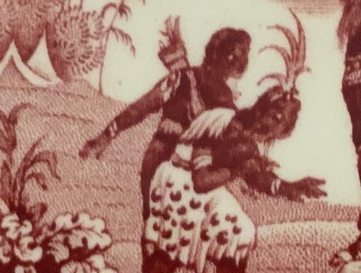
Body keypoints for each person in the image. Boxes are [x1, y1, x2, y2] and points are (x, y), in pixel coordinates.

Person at [107, 82, 327, 273]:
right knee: (161, 265)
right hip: (179, 187)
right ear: (261, 108)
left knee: (239, 233)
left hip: (209, 191)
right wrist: (238, 171)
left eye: (283, 124)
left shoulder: (250, 143)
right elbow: (201, 180)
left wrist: (289, 187)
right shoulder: (223, 123)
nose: (275, 127)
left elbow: (256, 176)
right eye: (275, 116)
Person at [80, 24, 251, 220]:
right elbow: (139, 109)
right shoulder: (182, 80)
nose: (232, 63)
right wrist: (105, 136)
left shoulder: (225, 101)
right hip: (163, 163)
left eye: (237, 59)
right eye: (230, 55)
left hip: (197, 176)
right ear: (216, 54)